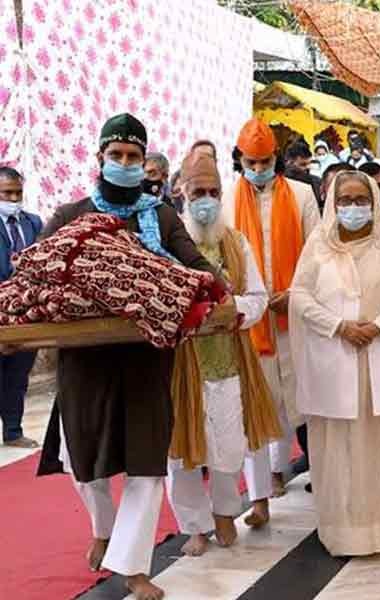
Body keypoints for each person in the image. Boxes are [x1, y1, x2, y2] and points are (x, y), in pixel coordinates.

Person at [36, 113, 224, 600]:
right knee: (86, 460)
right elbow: (39, 272)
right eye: (115, 155)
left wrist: (205, 289)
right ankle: (104, 527)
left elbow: (198, 267)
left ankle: (133, 566)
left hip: (146, 356)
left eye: (133, 157)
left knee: (145, 462)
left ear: (144, 164)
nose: (124, 164)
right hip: (84, 360)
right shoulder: (70, 215)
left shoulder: (160, 216)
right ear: (100, 158)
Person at [289, 170, 380, 556]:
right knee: (333, 448)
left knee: (375, 447)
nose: (353, 208)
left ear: (374, 201)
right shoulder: (318, 245)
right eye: (345, 201)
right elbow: (299, 297)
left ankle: (371, 532)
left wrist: (378, 327)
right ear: (332, 204)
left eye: (360, 200)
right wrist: (338, 326)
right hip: (332, 362)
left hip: (376, 362)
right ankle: (336, 531)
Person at [165, 151, 281, 556]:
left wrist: (235, 312)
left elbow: (259, 297)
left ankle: (225, 514)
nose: (207, 199)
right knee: (180, 451)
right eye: (199, 191)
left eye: (214, 191)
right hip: (181, 363)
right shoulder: (165, 241)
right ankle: (194, 527)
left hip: (230, 358)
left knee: (229, 443)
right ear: (181, 192)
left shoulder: (236, 242)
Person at [222, 118, 320, 524]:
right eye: (251, 161)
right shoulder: (227, 200)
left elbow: (317, 255)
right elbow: (224, 263)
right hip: (250, 320)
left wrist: (294, 296)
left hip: (295, 318)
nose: (258, 168)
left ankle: (316, 478)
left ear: (276, 159)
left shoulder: (301, 195)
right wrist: (251, 302)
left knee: (306, 405)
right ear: (240, 160)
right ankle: (260, 498)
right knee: (256, 410)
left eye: (265, 161)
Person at [0, 167, 42, 448]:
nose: (14, 198)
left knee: (18, 372)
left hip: (27, 310)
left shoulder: (34, 223)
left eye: (17, 192)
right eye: (6, 193)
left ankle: (13, 431)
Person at [284, 139, 322, 208]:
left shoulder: (317, 182)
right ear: (289, 162)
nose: (307, 168)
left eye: (309, 164)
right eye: (303, 165)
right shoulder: (278, 184)